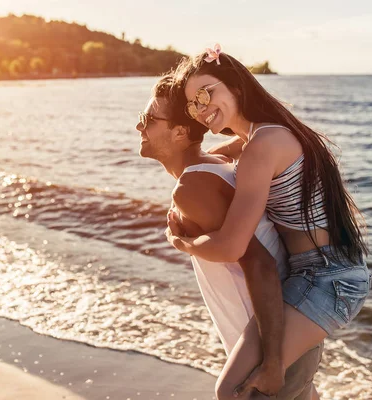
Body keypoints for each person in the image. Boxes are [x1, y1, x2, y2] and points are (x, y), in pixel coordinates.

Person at [165, 45, 371, 398]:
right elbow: (203, 160)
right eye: (192, 104)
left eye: (205, 93)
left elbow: (231, 246)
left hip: (327, 278)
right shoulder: (256, 138)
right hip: (317, 271)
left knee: (233, 391)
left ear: (238, 87)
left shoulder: (264, 143)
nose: (201, 108)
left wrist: (182, 242)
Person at [137, 74, 323, 400]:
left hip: (273, 337)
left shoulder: (194, 186)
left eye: (148, 119)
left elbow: (260, 265)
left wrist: (273, 359)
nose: (140, 127)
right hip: (288, 326)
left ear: (180, 132)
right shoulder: (216, 163)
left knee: (231, 394)